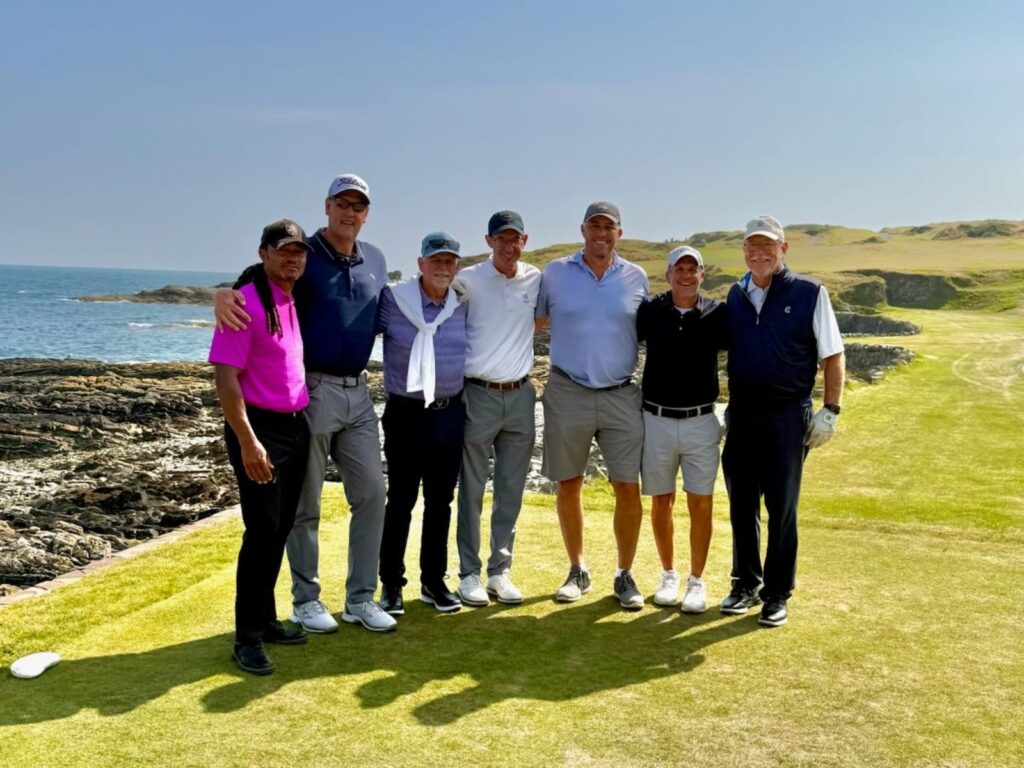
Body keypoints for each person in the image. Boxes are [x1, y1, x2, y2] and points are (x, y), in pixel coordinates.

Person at [214, 174, 396, 634]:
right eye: (341, 203)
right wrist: (220, 293)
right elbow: (256, 283)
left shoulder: (375, 259)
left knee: (373, 492)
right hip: (310, 390)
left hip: (359, 391)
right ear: (327, 207)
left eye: (358, 205)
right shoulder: (306, 252)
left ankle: (360, 597)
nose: (349, 212)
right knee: (303, 504)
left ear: (367, 213)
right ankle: (306, 600)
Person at [721, 215, 845, 627]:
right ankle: (746, 583)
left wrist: (830, 409)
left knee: (782, 508)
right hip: (741, 415)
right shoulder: (735, 296)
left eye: (767, 246)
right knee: (741, 505)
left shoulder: (809, 292)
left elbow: (832, 354)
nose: (759, 253)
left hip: (787, 416)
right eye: (752, 247)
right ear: (744, 251)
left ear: (783, 249)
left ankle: (777, 593)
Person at [209, 219, 312, 675]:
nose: (293, 258)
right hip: (260, 430)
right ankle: (246, 638)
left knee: (281, 527)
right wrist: (248, 440)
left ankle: (267, 620)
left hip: (296, 427)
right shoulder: (243, 304)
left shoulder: (289, 298)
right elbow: (226, 380)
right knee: (261, 531)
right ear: (264, 253)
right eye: (284, 249)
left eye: (299, 251)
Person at [535, 202, 650, 610]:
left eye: (609, 227)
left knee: (628, 486)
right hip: (568, 391)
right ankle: (577, 569)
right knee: (569, 482)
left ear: (619, 232)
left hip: (622, 393)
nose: (601, 233)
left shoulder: (636, 277)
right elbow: (530, 322)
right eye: (594, 226)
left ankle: (625, 574)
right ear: (583, 229)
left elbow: (652, 332)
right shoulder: (555, 273)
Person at [377, 232, 469, 614]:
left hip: (450, 414)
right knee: (400, 500)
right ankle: (391, 585)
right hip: (405, 413)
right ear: (421, 264)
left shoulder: (463, 304)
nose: (443, 268)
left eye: (449, 262)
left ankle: (433, 581)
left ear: (456, 267)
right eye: (436, 261)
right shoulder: (393, 301)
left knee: (441, 502)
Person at [455, 211, 542, 607]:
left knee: (511, 489)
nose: (509, 246)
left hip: (521, 395)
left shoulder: (535, 278)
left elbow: (542, 319)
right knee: (472, 488)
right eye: (501, 239)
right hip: (478, 394)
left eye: (516, 239)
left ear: (524, 240)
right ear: (489, 240)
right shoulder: (468, 279)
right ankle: (469, 573)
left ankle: (499, 571)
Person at [637, 246, 728, 614]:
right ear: (668, 274)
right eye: (680, 269)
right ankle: (668, 574)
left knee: (700, 502)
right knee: (662, 500)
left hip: (701, 421)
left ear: (702, 275)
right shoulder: (651, 311)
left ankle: (697, 580)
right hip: (656, 420)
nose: (687, 275)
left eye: (694, 269)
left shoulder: (717, 313)